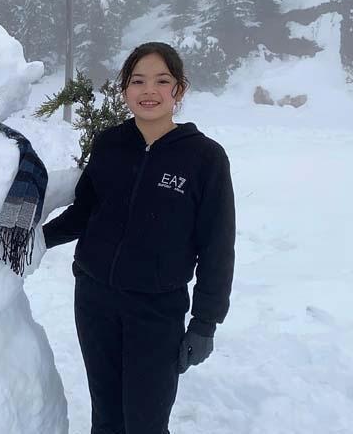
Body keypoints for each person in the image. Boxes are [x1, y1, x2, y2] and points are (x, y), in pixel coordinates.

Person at [43, 41, 235, 434]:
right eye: (138, 80)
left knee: (146, 422)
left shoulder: (205, 158)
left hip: (157, 309)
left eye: (162, 80)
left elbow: (217, 246)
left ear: (178, 90)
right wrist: (36, 241)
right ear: (125, 89)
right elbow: (85, 212)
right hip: (95, 300)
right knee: (107, 416)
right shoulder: (110, 144)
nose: (149, 90)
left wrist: (205, 322)